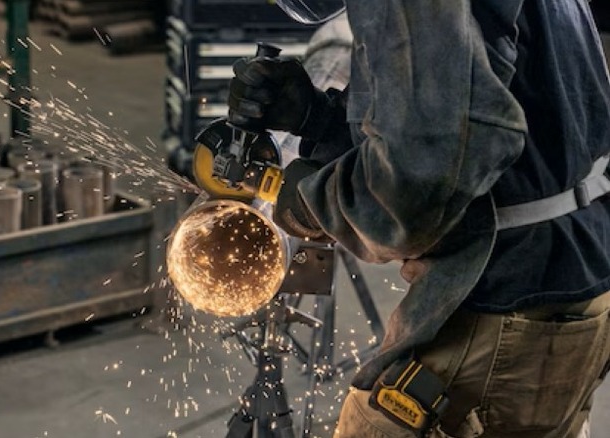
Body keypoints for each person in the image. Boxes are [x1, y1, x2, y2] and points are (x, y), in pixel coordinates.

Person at [227, 0, 610, 437]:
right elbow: (490, 118)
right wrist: (317, 118)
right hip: (573, 285)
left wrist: (312, 201)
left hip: (500, 313)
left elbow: (421, 180)